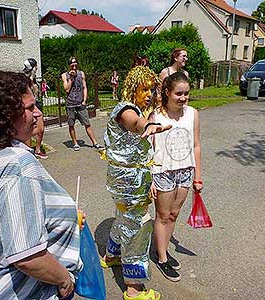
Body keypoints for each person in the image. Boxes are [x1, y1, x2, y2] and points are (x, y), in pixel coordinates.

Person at [0, 70, 82, 300]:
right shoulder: (17, 166)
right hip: (34, 291)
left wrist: (63, 214)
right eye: (30, 108)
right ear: (5, 116)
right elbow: (27, 255)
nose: (38, 113)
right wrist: (64, 280)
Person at [101, 66, 172, 300]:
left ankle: (111, 255)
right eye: (144, 89)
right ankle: (133, 287)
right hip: (130, 183)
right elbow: (133, 122)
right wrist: (147, 126)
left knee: (125, 218)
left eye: (152, 89)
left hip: (125, 181)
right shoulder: (126, 110)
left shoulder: (136, 109)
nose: (149, 94)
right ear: (132, 88)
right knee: (139, 227)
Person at [150, 72, 203, 282]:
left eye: (186, 94)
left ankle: (163, 249)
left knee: (173, 214)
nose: (183, 98)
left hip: (185, 172)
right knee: (162, 216)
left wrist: (198, 176)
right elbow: (148, 148)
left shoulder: (193, 114)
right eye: (178, 93)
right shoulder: (155, 116)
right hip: (162, 172)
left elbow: (196, 145)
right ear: (167, 92)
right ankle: (161, 257)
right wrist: (149, 179)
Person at [61, 56, 104, 151]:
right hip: (70, 104)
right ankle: (75, 143)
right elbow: (67, 89)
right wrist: (71, 78)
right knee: (71, 125)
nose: (74, 66)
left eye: (75, 64)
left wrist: (84, 100)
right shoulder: (65, 75)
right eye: (72, 64)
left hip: (80, 104)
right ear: (69, 65)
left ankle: (95, 143)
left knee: (87, 124)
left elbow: (85, 87)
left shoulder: (81, 74)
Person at [23, 58, 48, 159]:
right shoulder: (25, 80)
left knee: (41, 129)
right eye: (35, 66)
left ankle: (37, 150)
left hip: (37, 105)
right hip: (29, 108)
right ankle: (28, 152)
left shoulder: (34, 79)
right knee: (28, 130)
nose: (37, 68)